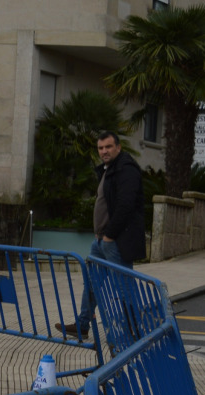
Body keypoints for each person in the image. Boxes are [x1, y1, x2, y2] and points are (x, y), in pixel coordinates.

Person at [56, 131, 145, 340]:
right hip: (101, 241)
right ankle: (82, 325)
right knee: (91, 283)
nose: (104, 151)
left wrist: (109, 236)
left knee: (124, 287)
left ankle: (134, 332)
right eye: (100, 148)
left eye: (108, 147)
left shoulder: (126, 170)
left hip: (115, 240)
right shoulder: (109, 170)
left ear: (118, 147)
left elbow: (126, 205)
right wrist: (102, 237)